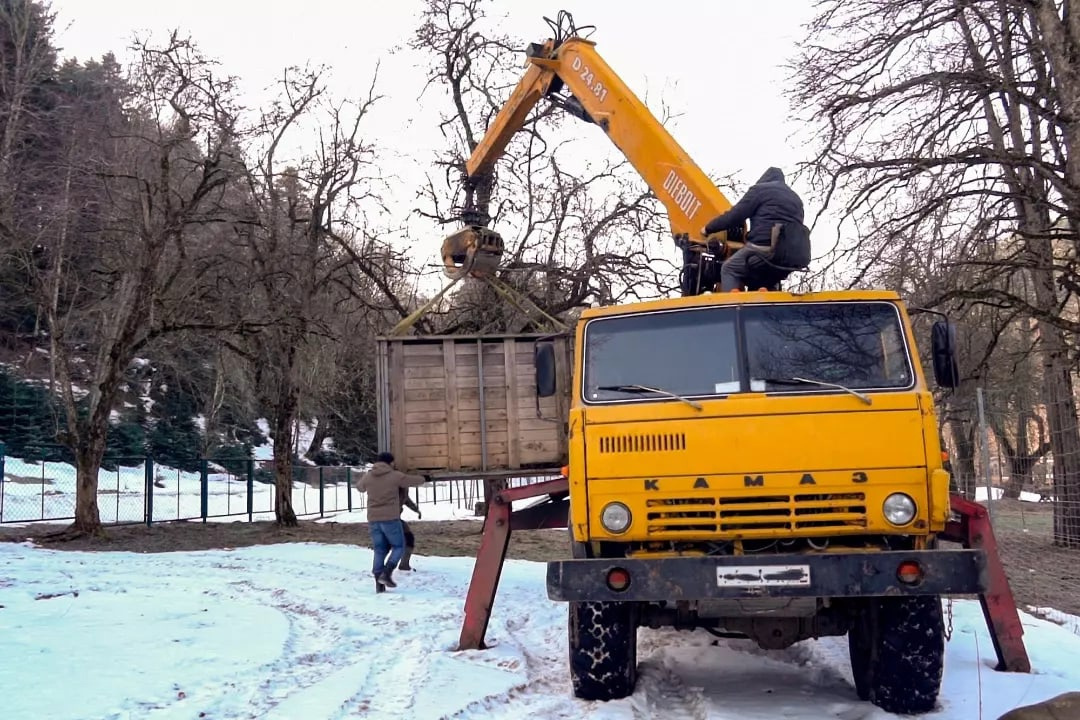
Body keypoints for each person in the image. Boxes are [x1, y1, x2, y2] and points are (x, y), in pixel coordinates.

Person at [702, 167, 807, 292]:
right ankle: (765, 297)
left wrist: (708, 228)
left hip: (764, 247)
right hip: (790, 255)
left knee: (729, 268)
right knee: (766, 275)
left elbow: (735, 216)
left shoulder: (760, 190)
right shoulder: (796, 199)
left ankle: (732, 305)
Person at [355, 451, 429, 592]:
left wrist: (369, 481)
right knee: (398, 546)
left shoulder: (369, 476)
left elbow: (359, 487)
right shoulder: (395, 476)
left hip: (373, 520)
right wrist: (425, 478)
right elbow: (413, 481)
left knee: (380, 550)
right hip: (390, 519)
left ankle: (379, 584)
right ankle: (387, 573)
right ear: (391, 462)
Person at [398, 487, 421, 571]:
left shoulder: (404, 487)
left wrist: (417, 510)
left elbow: (406, 500)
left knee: (408, 539)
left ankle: (404, 564)